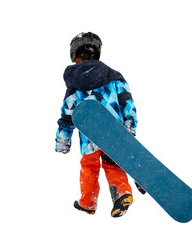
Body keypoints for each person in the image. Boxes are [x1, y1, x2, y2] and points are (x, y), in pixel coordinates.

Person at [55, 32, 141, 217]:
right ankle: (122, 193)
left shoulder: (74, 85)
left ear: (75, 58)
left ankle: (88, 202)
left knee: (89, 168)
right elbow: (127, 100)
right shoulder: (113, 75)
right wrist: (130, 124)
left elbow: (67, 115)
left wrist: (62, 141)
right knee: (113, 164)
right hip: (114, 134)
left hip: (89, 138)